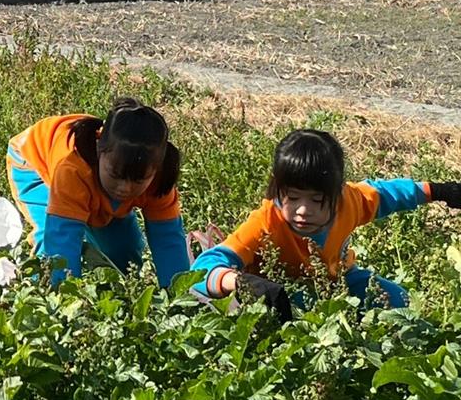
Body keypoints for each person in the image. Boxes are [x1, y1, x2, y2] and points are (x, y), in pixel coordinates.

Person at [192, 129, 461, 322]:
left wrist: (439, 191)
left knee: (401, 303)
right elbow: (202, 269)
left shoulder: (349, 203)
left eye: (317, 200)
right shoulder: (265, 223)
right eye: (292, 197)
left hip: (340, 280)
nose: (303, 210)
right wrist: (239, 282)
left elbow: (389, 194)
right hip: (283, 292)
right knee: (298, 315)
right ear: (277, 189)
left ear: (337, 192)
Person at [6, 98, 190, 287]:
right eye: (116, 175)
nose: (124, 188)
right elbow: (61, 241)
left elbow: (168, 240)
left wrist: (177, 293)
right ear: (99, 150)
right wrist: (65, 295)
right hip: (35, 165)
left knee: (124, 249)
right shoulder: (74, 170)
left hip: (95, 181)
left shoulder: (159, 180)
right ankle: (39, 288)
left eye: (138, 180)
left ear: (156, 169)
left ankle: (120, 289)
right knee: (49, 240)